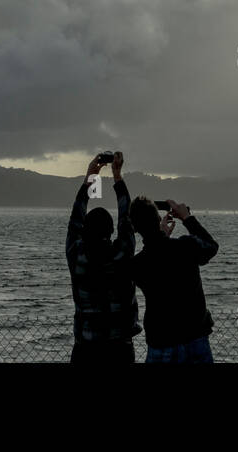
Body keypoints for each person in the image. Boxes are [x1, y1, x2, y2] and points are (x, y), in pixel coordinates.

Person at [66, 151, 140, 363]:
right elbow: (126, 217)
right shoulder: (122, 253)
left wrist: (90, 178)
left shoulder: (77, 255)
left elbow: (76, 217)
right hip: (120, 349)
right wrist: (117, 175)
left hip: (86, 349)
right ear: (111, 231)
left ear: (85, 231)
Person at [128, 195, 219, 363]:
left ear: (135, 227)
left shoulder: (137, 265)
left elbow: (158, 255)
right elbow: (211, 246)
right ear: (158, 219)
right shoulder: (186, 247)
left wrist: (160, 235)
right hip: (195, 338)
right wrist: (187, 218)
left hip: (161, 341)